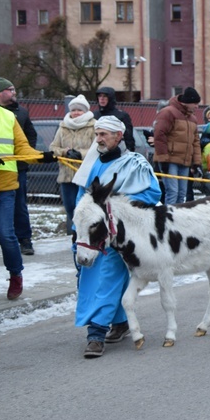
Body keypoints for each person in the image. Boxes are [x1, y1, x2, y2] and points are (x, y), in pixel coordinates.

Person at [71, 116, 161, 358]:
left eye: (103, 134)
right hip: (89, 235)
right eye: (97, 134)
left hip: (118, 238)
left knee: (106, 279)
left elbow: (152, 193)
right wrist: (76, 229)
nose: (98, 139)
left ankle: (96, 334)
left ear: (118, 136)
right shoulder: (91, 163)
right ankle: (120, 322)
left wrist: (118, 207)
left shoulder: (135, 164)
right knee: (91, 279)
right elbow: (82, 200)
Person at [0, 82, 57, 300]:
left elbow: (22, 149)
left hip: (5, 187)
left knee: (5, 234)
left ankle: (15, 275)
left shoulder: (9, 117)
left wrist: (43, 156)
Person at [0, 77, 37, 255]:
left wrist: (36, 157)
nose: (14, 93)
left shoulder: (18, 114)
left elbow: (27, 141)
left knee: (15, 215)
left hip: (12, 173)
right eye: (10, 90)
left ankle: (24, 242)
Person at [49, 95, 96, 234]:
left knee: (85, 208)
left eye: (79, 110)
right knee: (70, 207)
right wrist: (64, 152)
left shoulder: (94, 126)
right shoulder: (63, 126)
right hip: (67, 176)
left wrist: (80, 154)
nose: (76, 112)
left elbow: (97, 148)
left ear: (85, 111)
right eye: (73, 109)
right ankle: (76, 235)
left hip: (86, 176)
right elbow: (53, 147)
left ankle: (87, 235)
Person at [153, 87, 202, 204]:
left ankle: (178, 219)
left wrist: (196, 162)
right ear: (188, 102)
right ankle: (168, 220)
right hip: (170, 160)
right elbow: (159, 135)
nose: (197, 106)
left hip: (184, 161)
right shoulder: (168, 112)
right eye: (195, 103)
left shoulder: (192, 119)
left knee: (181, 194)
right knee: (172, 192)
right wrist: (163, 158)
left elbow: (195, 142)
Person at [93, 86, 135, 151]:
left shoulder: (122, 116)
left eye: (105, 96)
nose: (102, 99)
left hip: (117, 152)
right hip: (96, 151)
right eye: (100, 96)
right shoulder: (94, 115)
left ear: (110, 98)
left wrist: (129, 153)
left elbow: (129, 139)